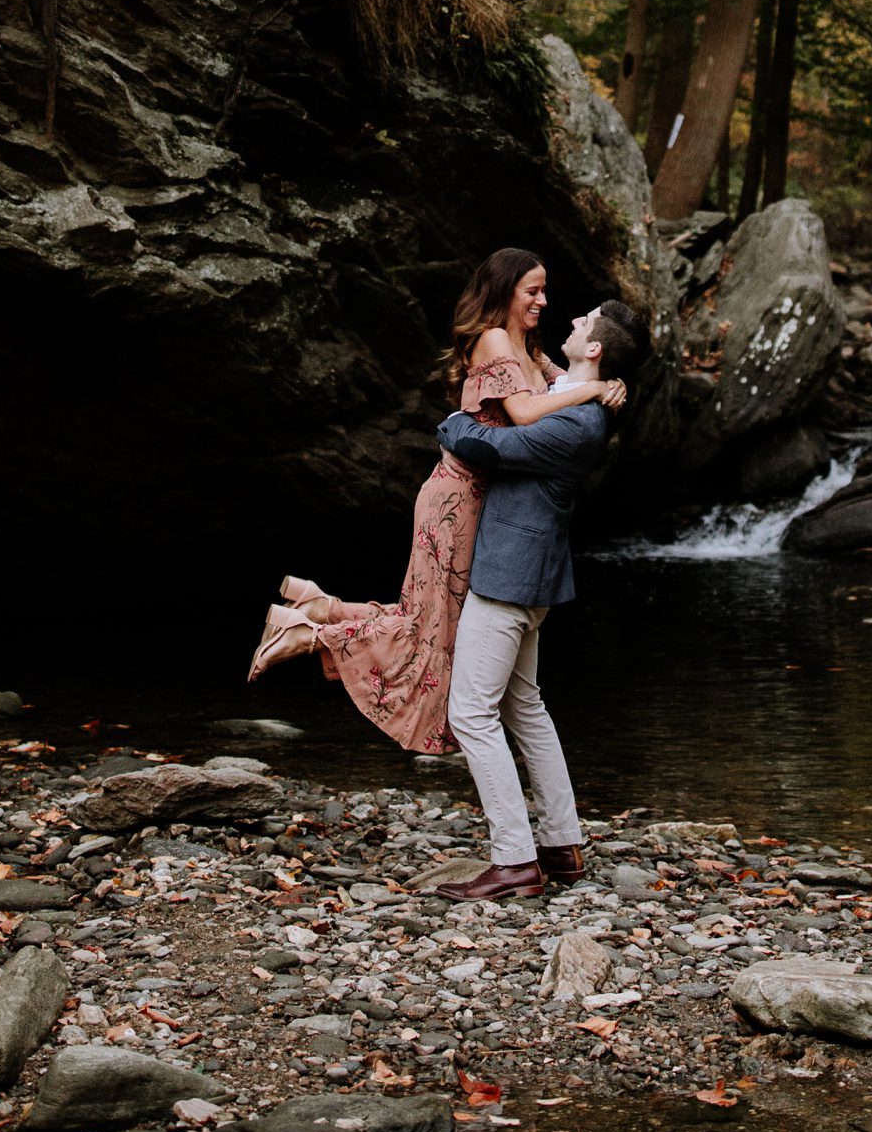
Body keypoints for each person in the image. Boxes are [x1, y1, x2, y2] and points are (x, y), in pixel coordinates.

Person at [244, 253, 630, 791]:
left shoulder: (533, 351)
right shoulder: (495, 340)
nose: (544, 301)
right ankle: (309, 635)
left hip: (481, 503)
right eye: (532, 291)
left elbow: (564, 390)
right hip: (456, 499)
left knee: (428, 623)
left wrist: (607, 383)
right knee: (428, 630)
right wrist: (594, 389)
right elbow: (521, 415)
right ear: (504, 291)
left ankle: (317, 608)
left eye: (545, 291)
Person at [433, 290, 645, 904]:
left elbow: (489, 447)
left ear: (595, 347)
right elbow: (539, 381)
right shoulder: (568, 399)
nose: (570, 321)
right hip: (531, 576)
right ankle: (561, 845)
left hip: (510, 578)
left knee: (471, 712)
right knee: (525, 708)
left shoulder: (574, 423)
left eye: (582, 323)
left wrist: (451, 422)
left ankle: (514, 861)